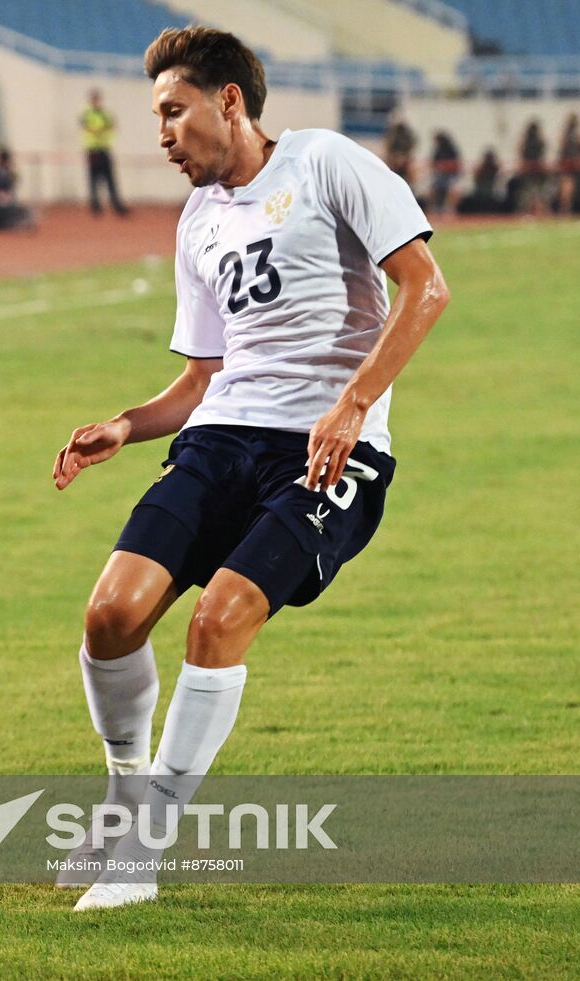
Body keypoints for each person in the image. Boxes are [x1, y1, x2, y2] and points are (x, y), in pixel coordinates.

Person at [52, 26, 448, 911]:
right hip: (221, 437)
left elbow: (427, 286)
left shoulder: (327, 163)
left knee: (218, 621)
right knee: (111, 614)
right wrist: (126, 423)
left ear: (228, 100)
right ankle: (124, 797)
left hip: (326, 451)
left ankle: (143, 852)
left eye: (171, 109)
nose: (159, 132)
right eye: (154, 115)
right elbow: (201, 379)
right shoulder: (198, 219)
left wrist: (352, 402)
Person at [80, 89, 128, 217]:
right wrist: (100, 129)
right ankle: (95, 207)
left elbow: (112, 125)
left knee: (110, 180)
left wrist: (99, 129)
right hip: (92, 150)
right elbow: (87, 127)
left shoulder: (105, 114)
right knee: (93, 181)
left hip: (104, 149)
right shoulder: (87, 114)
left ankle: (116, 205)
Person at [517, 120, 548, 217]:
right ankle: (533, 211)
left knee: (530, 193)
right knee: (534, 193)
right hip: (534, 170)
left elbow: (520, 151)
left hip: (532, 170)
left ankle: (531, 211)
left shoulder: (527, 141)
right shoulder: (538, 141)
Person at [427, 130, 462, 216]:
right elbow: (433, 163)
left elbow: (456, 164)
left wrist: (445, 166)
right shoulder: (438, 150)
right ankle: (433, 208)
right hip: (439, 176)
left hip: (451, 175)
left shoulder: (452, 149)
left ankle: (449, 209)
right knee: (432, 189)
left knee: (453, 189)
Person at [558, 113, 580, 215]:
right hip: (569, 165)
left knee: (567, 190)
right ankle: (566, 210)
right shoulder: (569, 135)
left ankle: (566, 209)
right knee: (567, 190)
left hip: (572, 165)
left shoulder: (569, 135)